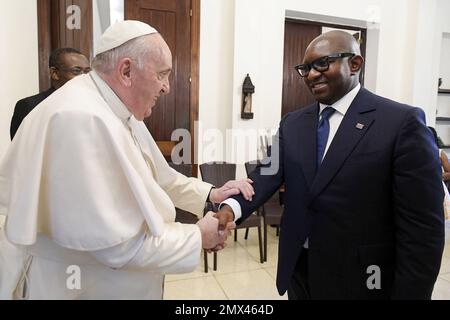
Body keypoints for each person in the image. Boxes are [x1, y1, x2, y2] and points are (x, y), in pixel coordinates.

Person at [0, 21, 253, 300]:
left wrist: (211, 194)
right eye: (162, 75)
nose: (167, 87)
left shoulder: (119, 109)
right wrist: (197, 237)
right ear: (127, 70)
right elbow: (115, 246)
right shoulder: (79, 119)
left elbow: (159, 177)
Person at [216, 30, 445, 299]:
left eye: (323, 63)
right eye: (306, 68)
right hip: (300, 271)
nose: (312, 74)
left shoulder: (401, 123)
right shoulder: (292, 123)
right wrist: (231, 207)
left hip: (363, 278)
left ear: (355, 64)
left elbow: (422, 230)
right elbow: (267, 174)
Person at [10, 48, 91, 140]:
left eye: (87, 71)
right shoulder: (30, 106)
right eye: (76, 71)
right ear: (55, 73)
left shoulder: (92, 104)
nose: (84, 76)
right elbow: (22, 148)